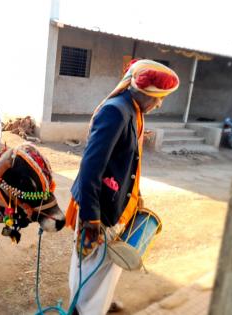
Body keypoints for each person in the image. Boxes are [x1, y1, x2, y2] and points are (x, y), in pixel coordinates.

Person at [65, 59, 180, 315]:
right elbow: (91, 167)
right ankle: (83, 309)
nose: (159, 103)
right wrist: (91, 218)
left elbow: (127, 164)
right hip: (98, 207)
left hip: (112, 203)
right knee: (91, 266)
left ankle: (95, 305)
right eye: (157, 97)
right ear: (141, 92)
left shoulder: (134, 110)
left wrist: (135, 195)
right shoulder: (116, 111)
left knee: (103, 268)